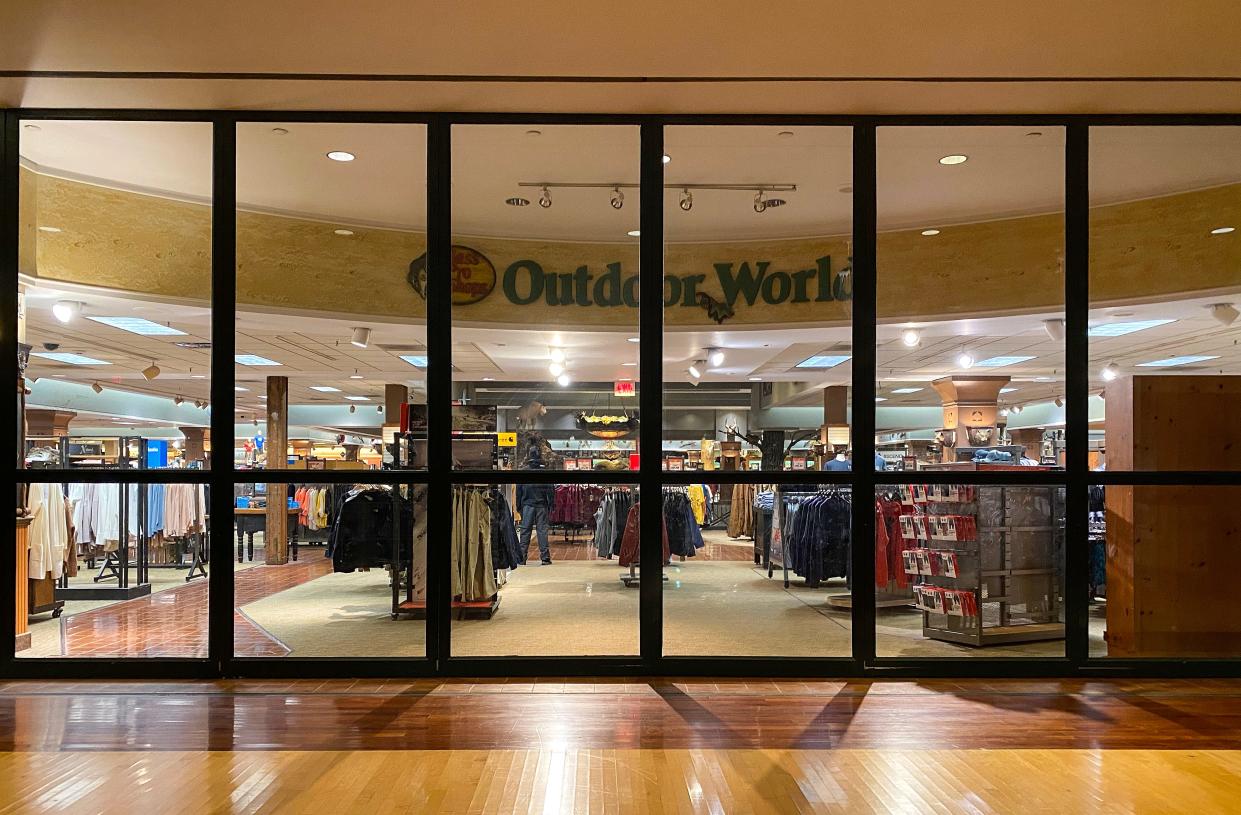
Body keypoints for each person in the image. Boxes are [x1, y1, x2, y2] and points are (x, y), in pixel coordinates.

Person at [517, 447, 556, 564]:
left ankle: (522, 558)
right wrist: (551, 504)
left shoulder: (523, 471)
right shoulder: (545, 472)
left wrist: (519, 506)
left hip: (527, 504)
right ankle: (545, 558)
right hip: (541, 505)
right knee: (542, 532)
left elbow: (519, 490)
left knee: (525, 531)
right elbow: (550, 489)